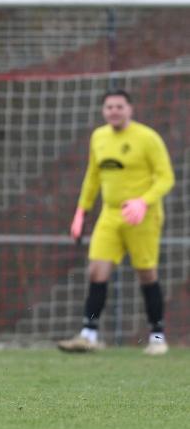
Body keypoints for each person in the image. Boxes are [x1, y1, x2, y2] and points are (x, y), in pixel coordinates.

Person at [59, 89, 174, 355]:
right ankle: (89, 334)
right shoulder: (98, 137)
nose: (114, 111)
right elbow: (92, 177)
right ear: (103, 111)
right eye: (109, 107)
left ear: (130, 109)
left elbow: (166, 177)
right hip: (110, 215)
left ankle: (158, 337)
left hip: (142, 215)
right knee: (96, 270)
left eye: (119, 106)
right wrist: (81, 212)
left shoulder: (147, 138)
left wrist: (143, 201)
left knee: (146, 273)